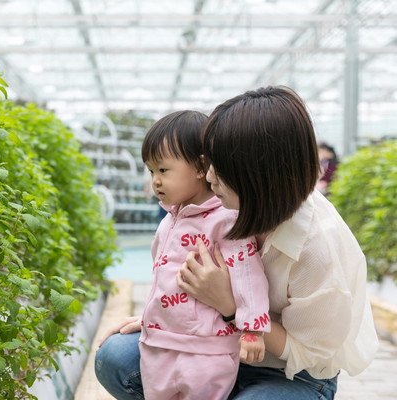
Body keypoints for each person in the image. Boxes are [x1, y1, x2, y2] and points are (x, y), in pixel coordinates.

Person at [95, 86, 378, 400]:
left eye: (221, 166)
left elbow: (308, 353)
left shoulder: (318, 249)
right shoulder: (223, 208)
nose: (210, 177)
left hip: (290, 375)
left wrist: (231, 307)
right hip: (215, 346)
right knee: (115, 357)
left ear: (257, 174)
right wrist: (164, 321)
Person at [106, 110, 271, 400]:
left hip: (206, 349)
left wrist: (252, 330)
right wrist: (149, 317)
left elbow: (248, 274)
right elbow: (160, 278)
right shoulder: (168, 221)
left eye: (163, 170)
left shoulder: (225, 220)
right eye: (151, 171)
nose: (155, 181)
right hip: (158, 343)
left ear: (200, 167)